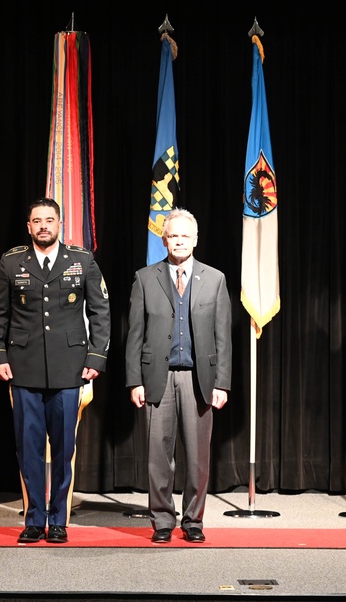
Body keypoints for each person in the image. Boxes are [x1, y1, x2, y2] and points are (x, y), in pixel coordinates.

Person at [0, 197, 111, 544]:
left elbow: (101, 312)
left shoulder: (82, 261)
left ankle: (58, 519)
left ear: (59, 224)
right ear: (29, 227)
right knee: (29, 449)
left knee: (64, 449)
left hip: (70, 369)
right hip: (22, 370)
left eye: (49, 220)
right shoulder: (11, 263)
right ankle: (34, 518)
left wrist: (95, 358)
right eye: (37, 221)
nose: (43, 226)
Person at [125, 208, 231, 543]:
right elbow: (135, 335)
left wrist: (223, 383)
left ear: (195, 240)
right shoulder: (145, 278)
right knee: (159, 455)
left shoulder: (214, 279)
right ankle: (162, 522)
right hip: (158, 378)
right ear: (164, 239)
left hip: (199, 380)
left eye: (186, 236)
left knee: (198, 456)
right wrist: (134, 380)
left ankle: (193, 521)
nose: (180, 241)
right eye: (173, 236)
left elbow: (223, 337)